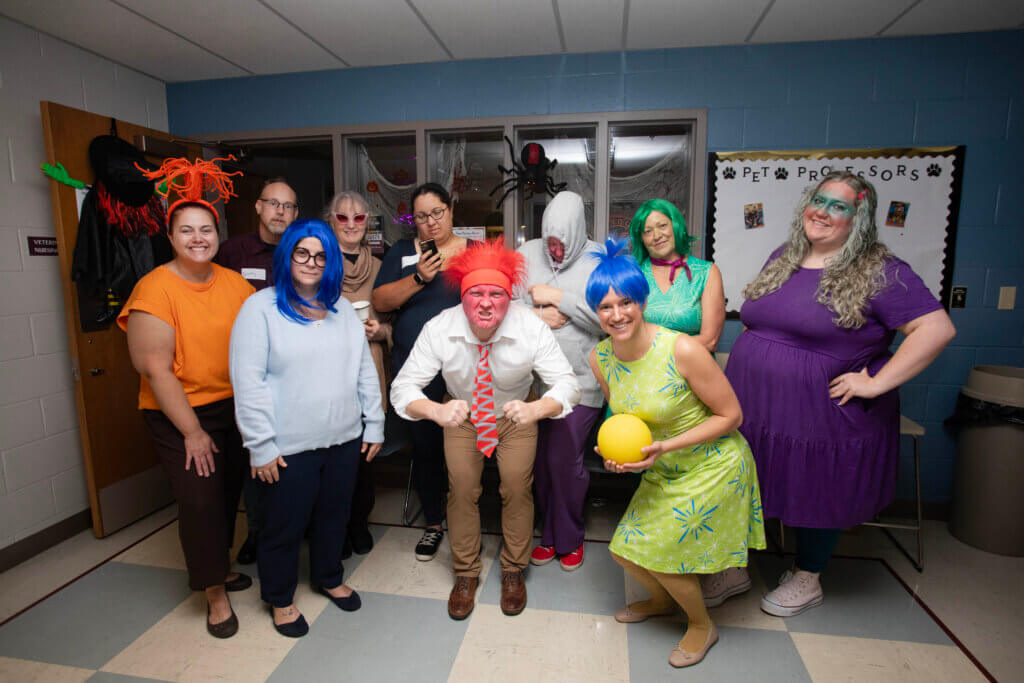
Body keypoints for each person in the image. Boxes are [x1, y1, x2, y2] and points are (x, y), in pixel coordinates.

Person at [725, 171, 955, 617]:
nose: (823, 212)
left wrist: (874, 382)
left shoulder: (880, 270)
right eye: (819, 200)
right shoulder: (784, 257)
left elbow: (936, 328)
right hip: (758, 407)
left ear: (860, 218)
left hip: (822, 415)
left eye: (839, 206)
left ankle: (808, 576)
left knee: (816, 486)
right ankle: (734, 565)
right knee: (749, 480)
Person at [587, 237, 765, 669]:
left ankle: (702, 625)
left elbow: (732, 415)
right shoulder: (600, 357)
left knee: (664, 557)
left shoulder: (681, 348)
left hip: (714, 461)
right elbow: (624, 419)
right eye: (605, 307)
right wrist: (617, 454)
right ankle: (663, 603)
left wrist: (665, 445)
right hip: (662, 466)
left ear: (642, 301)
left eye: (625, 302)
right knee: (622, 550)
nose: (617, 314)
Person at [391, 240, 581, 620]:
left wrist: (537, 407)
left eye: (496, 294)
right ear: (462, 297)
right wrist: (435, 411)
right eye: (475, 293)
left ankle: (513, 569)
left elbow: (567, 384)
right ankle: (465, 573)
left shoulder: (529, 326)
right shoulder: (440, 327)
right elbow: (402, 389)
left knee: (515, 485)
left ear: (509, 298)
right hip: (459, 413)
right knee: (461, 488)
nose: (485, 302)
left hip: (516, 412)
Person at [118, 157, 255, 639]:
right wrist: (193, 432)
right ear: (171, 237)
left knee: (227, 494)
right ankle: (214, 593)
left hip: (230, 409)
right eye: (187, 231)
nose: (198, 238)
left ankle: (219, 566)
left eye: (206, 230)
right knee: (199, 499)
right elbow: (155, 369)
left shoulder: (235, 285)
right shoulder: (154, 289)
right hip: (177, 414)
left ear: (217, 235)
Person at [229, 220, 384, 638]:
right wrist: (259, 446)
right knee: (283, 525)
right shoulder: (259, 308)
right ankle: (280, 598)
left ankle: (328, 577)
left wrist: (375, 423)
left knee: (334, 516)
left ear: (330, 262)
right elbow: (248, 381)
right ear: (287, 256)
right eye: (302, 252)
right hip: (286, 446)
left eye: (320, 255)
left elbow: (364, 372)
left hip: (343, 439)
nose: (311, 262)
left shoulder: (342, 312)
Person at [372, 183, 471, 562]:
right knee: (427, 449)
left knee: (465, 447)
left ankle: (468, 517)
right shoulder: (401, 252)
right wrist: (419, 278)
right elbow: (381, 301)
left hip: (463, 368)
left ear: (450, 210)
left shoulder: (472, 251)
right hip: (416, 367)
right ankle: (434, 523)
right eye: (422, 216)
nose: (430, 223)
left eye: (437, 213)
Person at [518, 191, 604, 571]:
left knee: (566, 462)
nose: (554, 251)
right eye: (550, 243)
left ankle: (569, 537)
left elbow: (609, 318)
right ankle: (548, 534)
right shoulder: (525, 255)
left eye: (562, 245)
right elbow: (505, 306)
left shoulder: (600, 259)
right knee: (540, 462)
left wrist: (559, 297)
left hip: (581, 381)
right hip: (532, 382)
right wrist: (537, 315)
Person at [216, 176, 299, 565]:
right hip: (250, 372)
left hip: (295, 370)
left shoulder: (304, 252)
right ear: (258, 207)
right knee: (256, 455)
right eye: (274, 203)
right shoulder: (231, 252)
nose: (280, 211)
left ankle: (296, 529)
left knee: (293, 456)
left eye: (288, 206)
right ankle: (257, 533)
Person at [324, 190, 392, 558]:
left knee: (365, 452)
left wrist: (380, 332)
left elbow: (393, 323)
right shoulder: (317, 261)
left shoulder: (380, 267)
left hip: (369, 364)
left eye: (359, 218)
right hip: (328, 366)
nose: (351, 224)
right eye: (342, 217)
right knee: (331, 451)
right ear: (331, 221)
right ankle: (333, 525)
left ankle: (358, 522)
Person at [628, 199, 725, 352]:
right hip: (644, 371)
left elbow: (710, 341)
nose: (657, 235)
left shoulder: (706, 272)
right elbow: (625, 333)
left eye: (662, 226)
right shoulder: (634, 274)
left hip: (694, 370)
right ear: (641, 238)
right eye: (648, 231)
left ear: (676, 225)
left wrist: (655, 349)